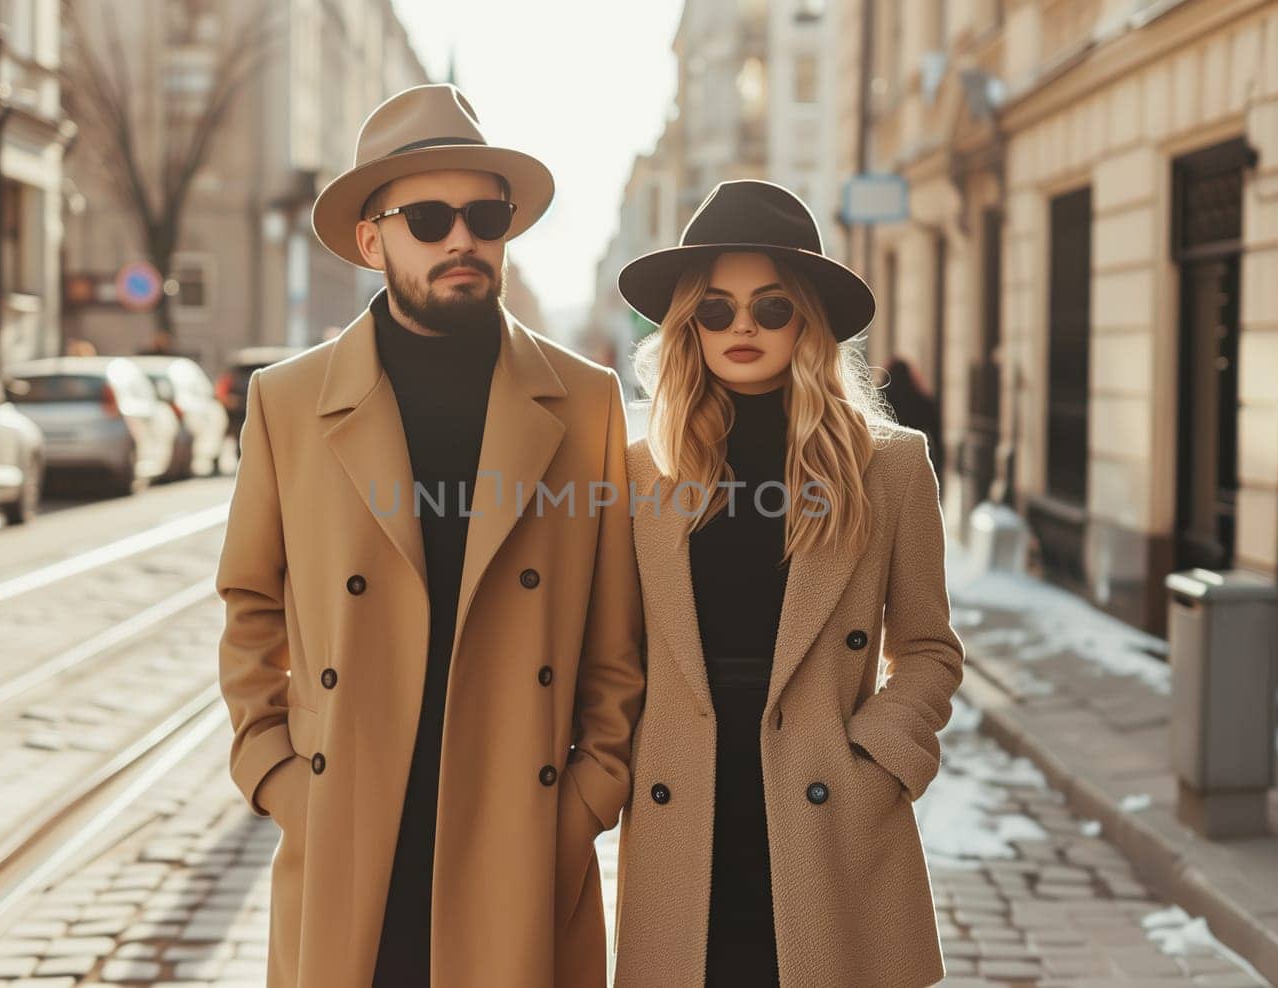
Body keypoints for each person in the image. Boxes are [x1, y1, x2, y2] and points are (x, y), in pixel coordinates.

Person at [214, 83, 644, 987]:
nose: (462, 238)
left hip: (518, 838)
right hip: (351, 827)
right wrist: (277, 773)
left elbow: (618, 633)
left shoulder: (585, 400)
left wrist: (586, 797)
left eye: (485, 215)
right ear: (372, 240)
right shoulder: (287, 404)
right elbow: (250, 601)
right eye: (430, 217)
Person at [611, 179, 965, 987]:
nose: (742, 326)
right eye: (716, 308)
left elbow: (928, 648)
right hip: (684, 809)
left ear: (805, 318)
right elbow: (612, 648)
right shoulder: (638, 474)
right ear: (686, 324)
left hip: (825, 809)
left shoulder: (889, 465)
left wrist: (876, 761)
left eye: (771, 307)